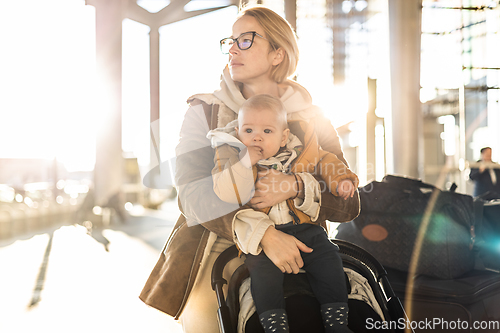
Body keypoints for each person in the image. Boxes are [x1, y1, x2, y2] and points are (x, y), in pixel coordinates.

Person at [139, 5, 360, 333]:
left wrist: (296, 186)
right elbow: (191, 197)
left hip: (304, 239)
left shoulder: (314, 117)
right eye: (230, 40)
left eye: (245, 40)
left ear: (277, 54)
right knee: (207, 321)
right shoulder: (205, 111)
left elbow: (349, 204)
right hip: (217, 240)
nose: (231, 48)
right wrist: (264, 234)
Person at [208, 94, 358, 333]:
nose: (256, 137)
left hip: (306, 228)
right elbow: (224, 191)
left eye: (267, 131)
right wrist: (244, 164)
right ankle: (275, 326)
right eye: (248, 130)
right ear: (238, 132)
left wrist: (341, 180)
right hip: (263, 234)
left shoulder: (302, 149)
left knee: (329, 258)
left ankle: (337, 321)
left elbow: (327, 161)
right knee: (263, 275)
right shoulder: (235, 158)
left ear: (283, 136)